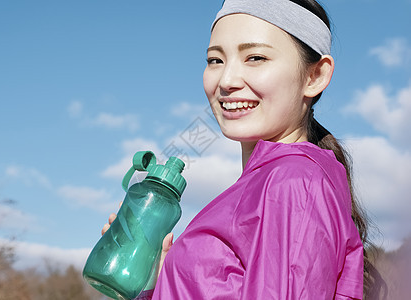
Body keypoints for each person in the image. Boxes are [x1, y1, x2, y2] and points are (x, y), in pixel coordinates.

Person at [103, 0, 372, 299]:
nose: (227, 81)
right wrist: (159, 281)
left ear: (315, 76)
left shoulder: (294, 183)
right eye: (215, 60)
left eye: (255, 57)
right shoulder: (271, 183)